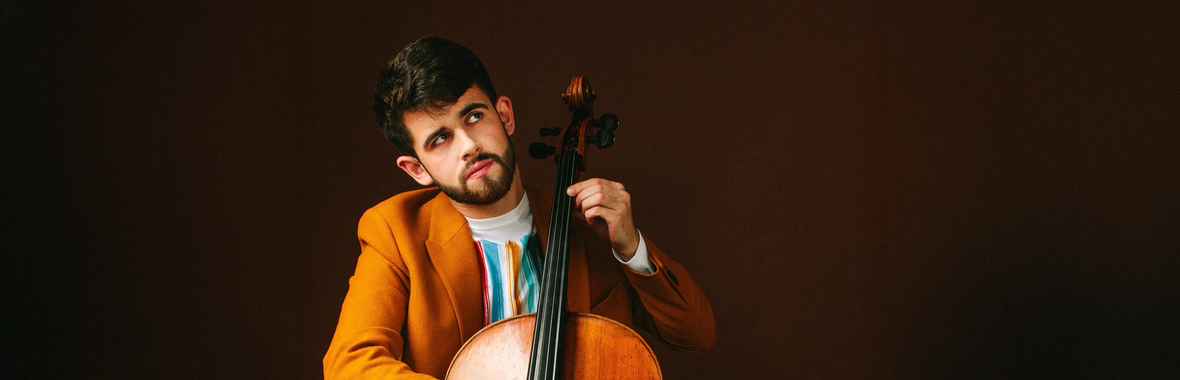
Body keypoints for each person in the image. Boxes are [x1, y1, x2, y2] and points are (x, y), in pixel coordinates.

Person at [323, 36, 714, 380]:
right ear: (416, 169)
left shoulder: (583, 225)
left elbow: (697, 335)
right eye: (440, 139)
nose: (469, 146)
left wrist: (630, 247)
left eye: (474, 117)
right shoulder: (395, 231)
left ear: (505, 116)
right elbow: (350, 365)